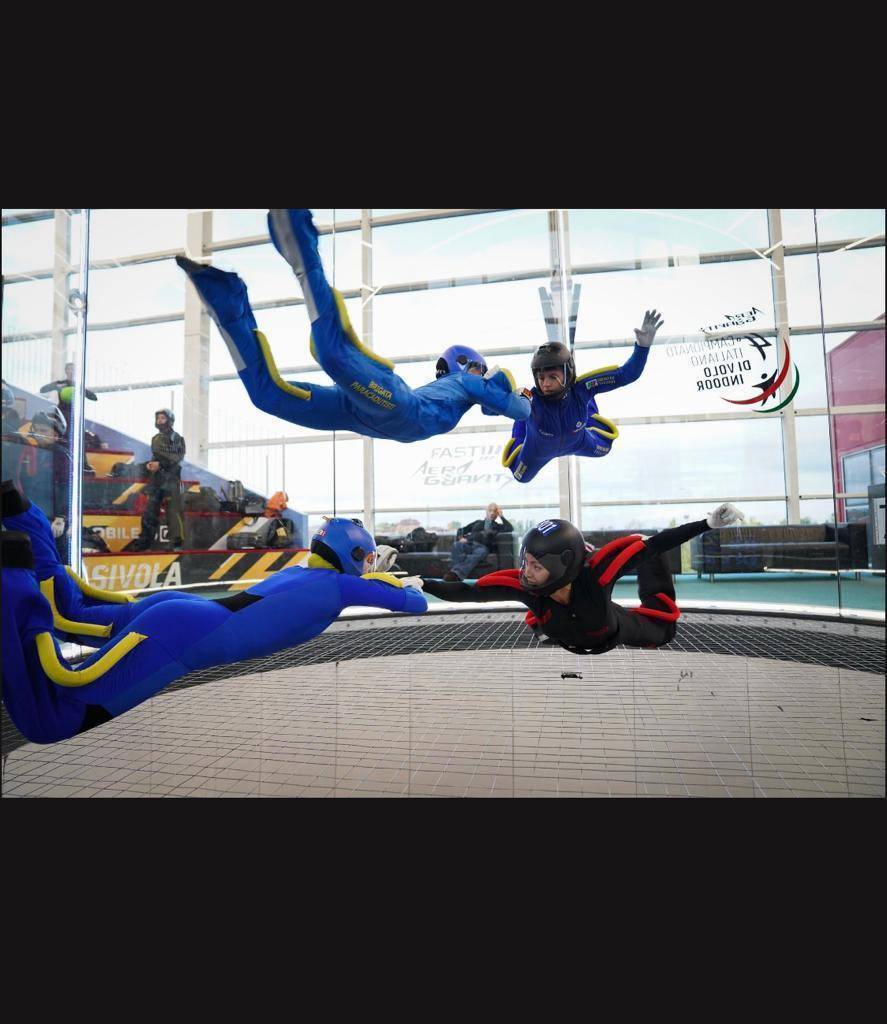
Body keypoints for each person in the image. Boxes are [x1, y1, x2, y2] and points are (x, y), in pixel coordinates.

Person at [2, 517, 427, 745]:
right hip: (184, 636)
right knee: (53, 719)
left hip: (183, 613)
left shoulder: (301, 570)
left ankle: (21, 519)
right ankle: (12, 578)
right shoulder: (340, 585)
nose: (369, 567)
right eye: (367, 558)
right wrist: (398, 581)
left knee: (69, 614)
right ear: (353, 554)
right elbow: (416, 603)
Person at [176, 208, 531, 443]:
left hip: (356, 415)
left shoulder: (453, 389)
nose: (481, 374)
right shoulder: (467, 382)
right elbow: (518, 410)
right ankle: (301, 243)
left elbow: (494, 406)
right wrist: (525, 397)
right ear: (471, 366)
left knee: (268, 396)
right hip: (394, 407)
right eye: (479, 368)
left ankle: (226, 301)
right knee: (332, 354)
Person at [423, 503, 745, 654]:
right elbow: (468, 592)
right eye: (526, 562)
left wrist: (708, 524)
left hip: (610, 629)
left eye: (536, 566)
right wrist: (421, 584)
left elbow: (656, 545)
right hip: (566, 628)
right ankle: (551, 627)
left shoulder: (596, 577)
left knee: (664, 628)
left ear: (563, 565)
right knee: (546, 619)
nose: (527, 572)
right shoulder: (526, 589)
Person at [502, 310, 664, 483]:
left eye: (553, 377)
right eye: (541, 378)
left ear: (568, 372)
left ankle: (588, 417)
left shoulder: (581, 388)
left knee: (605, 449)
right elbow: (502, 404)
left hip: (579, 441)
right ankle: (523, 433)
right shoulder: (529, 396)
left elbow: (627, 374)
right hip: (537, 450)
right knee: (521, 476)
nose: (546, 384)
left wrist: (642, 347)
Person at [127, 409, 186, 551]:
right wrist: (151, 465)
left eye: (163, 418)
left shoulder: (177, 438)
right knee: (149, 513)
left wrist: (160, 464)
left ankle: (176, 543)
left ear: (170, 420)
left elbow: (177, 458)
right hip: (157, 480)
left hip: (171, 480)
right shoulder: (155, 438)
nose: (160, 420)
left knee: (173, 512)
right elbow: (157, 457)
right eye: (158, 418)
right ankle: (145, 542)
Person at [444, 503, 513, 581]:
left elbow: (510, 528)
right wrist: (461, 538)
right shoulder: (478, 522)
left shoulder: (497, 526)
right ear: (486, 512)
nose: (492, 513)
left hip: (482, 547)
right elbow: (461, 530)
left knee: (479, 553)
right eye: (490, 510)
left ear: (497, 514)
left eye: (494, 511)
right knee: (457, 545)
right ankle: (454, 573)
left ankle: (455, 574)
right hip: (469, 544)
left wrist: (502, 516)